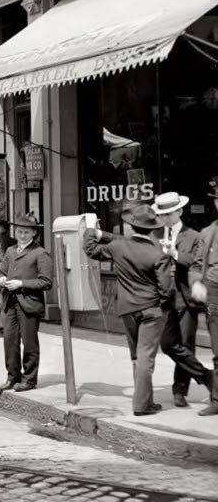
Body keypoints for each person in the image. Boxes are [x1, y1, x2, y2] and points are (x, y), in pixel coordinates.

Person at [84, 203, 215, 416]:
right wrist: (162, 306)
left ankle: (146, 400)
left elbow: (91, 249)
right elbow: (166, 289)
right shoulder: (156, 253)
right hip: (152, 310)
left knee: (137, 356)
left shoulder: (120, 247)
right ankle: (142, 404)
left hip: (128, 309)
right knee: (146, 356)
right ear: (151, 228)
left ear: (131, 227)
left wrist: (90, 230)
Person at [153, 191, 207, 409]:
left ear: (179, 212)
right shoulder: (154, 235)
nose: (164, 218)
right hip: (163, 298)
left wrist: (174, 253)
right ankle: (206, 376)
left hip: (184, 298)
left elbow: (197, 262)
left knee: (185, 343)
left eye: (168, 214)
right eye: (161, 214)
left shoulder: (194, 236)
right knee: (167, 344)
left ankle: (179, 389)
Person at [0, 212, 52, 393]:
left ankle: (29, 379)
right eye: (20, 232)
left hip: (29, 303)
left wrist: (21, 284)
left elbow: (46, 282)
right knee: (9, 340)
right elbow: (1, 271)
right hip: (11, 302)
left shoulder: (40, 253)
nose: (22, 235)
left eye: (26, 233)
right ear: (15, 232)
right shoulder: (11, 251)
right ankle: (12, 377)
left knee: (29, 343)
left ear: (34, 234)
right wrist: (1, 279)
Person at [189, 177, 218, 416]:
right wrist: (197, 282)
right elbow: (196, 264)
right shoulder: (207, 233)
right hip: (214, 294)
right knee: (217, 348)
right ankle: (217, 399)